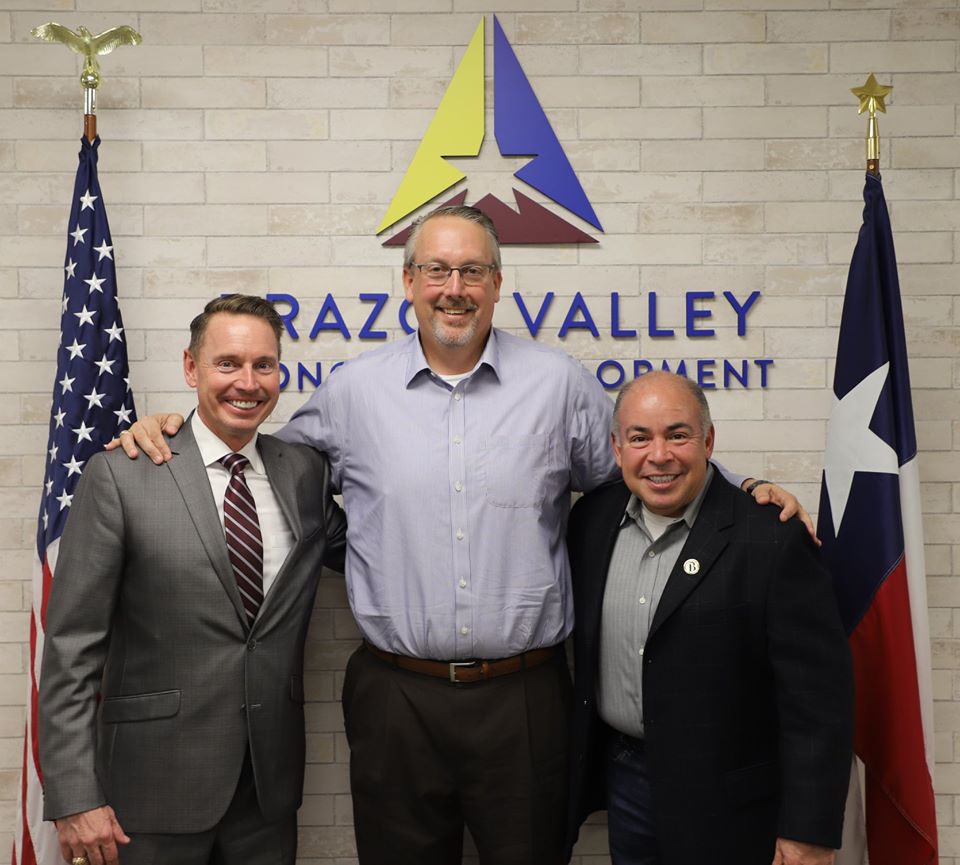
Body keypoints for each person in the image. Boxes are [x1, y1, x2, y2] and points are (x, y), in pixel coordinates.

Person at [112, 206, 812, 865]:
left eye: (473, 271)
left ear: (498, 284)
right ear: (409, 282)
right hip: (396, 696)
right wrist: (173, 428)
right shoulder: (354, 391)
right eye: (438, 270)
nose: (455, 288)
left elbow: (648, 463)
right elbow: (264, 474)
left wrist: (742, 489)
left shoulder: (557, 385)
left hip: (526, 696)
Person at [39, 295, 347, 865]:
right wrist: (74, 795)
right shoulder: (121, 473)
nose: (247, 383)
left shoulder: (304, 473)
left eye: (264, 365)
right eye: (227, 363)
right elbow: (70, 648)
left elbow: (373, 553)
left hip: (267, 793)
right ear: (190, 368)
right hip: (150, 790)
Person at [565, 372, 853, 865]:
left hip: (732, 802)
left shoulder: (772, 539)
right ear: (617, 448)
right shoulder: (591, 520)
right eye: (640, 438)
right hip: (626, 781)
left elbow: (818, 703)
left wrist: (808, 830)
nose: (659, 455)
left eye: (678, 435)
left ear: (708, 441)